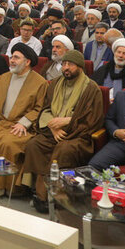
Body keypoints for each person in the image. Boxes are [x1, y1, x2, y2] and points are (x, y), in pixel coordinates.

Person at [25, 50, 104, 211]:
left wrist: (67, 121)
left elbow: (92, 119)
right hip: (53, 131)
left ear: (80, 67)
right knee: (34, 144)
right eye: (64, 64)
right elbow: (46, 110)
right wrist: (53, 128)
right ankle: (37, 190)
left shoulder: (91, 88)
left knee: (64, 149)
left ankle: (55, 196)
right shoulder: (54, 83)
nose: (66, 68)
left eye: (70, 65)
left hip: (78, 135)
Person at [0, 44, 49, 195]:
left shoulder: (40, 83)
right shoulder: (3, 78)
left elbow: (40, 109)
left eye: (16, 57)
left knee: (8, 144)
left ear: (27, 62)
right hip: (1, 121)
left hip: (22, 125)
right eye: (11, 57)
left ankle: (8, 187)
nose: (12, 60)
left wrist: (24, 123)